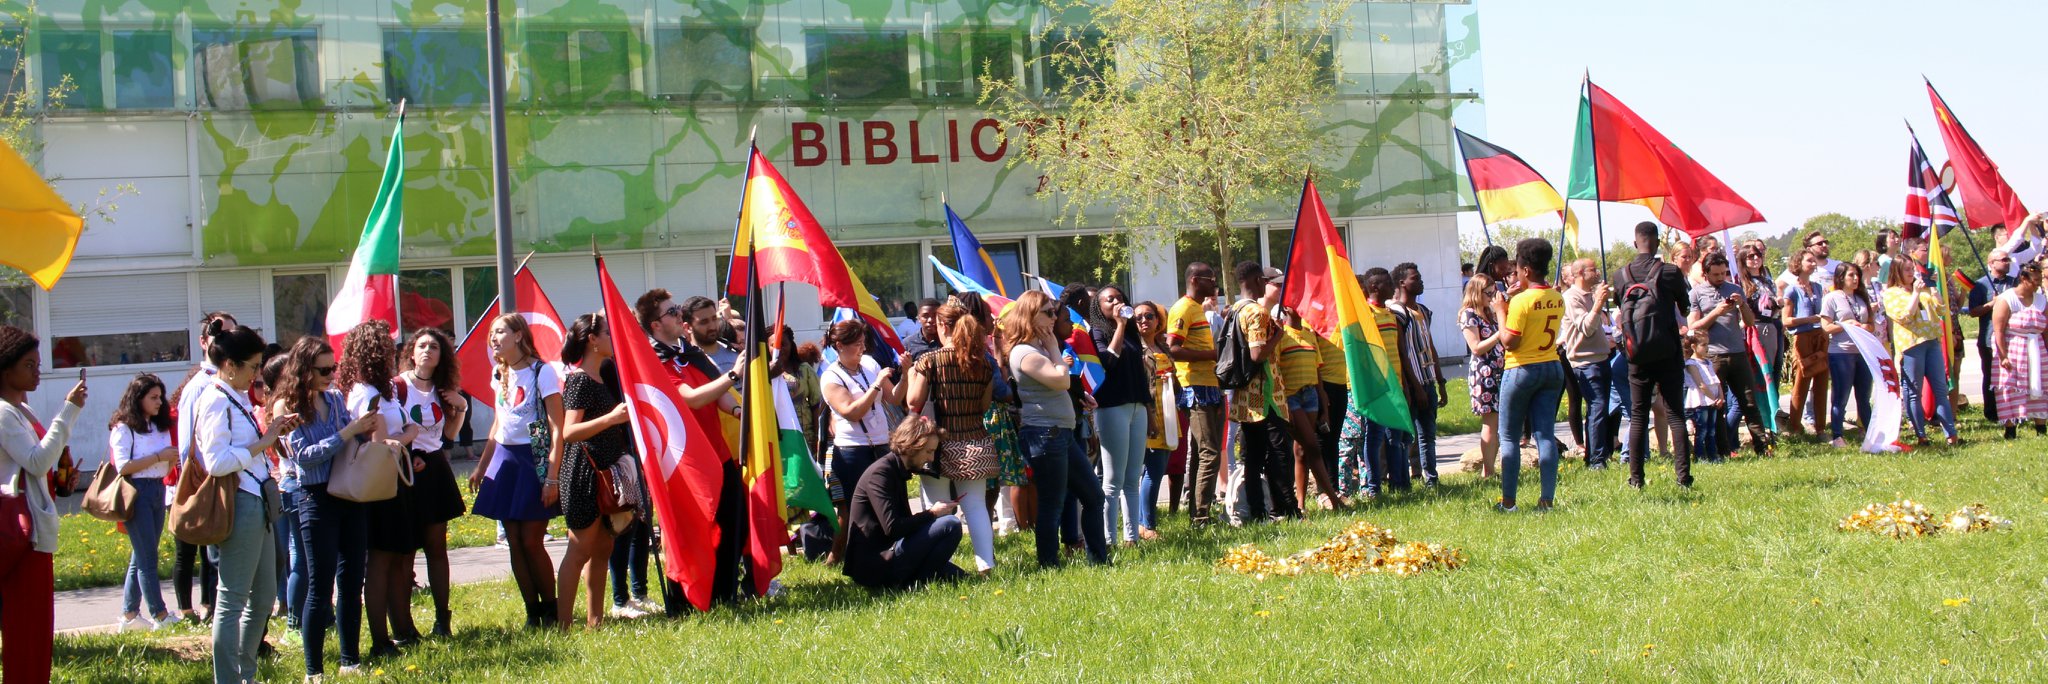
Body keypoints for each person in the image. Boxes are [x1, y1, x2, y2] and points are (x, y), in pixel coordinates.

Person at [193, 322, 292, 683]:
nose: (256, 375)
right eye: (252, 367)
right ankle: (228, 678)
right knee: (232, 600)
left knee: (264, 597)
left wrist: (273, 431)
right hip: (239, 503)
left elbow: (248, 449)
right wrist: (263, 443)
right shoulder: (215, 398)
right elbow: (215, 461)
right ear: (231, 365)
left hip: (259, 501)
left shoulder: (234, 396)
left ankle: (245, 673)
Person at [636, 290, 747, 609]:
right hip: (686, 462)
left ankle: (723, 595)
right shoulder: (656, 362)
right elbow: (691, 398)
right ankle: (684, 601)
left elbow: (717, 393)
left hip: (718, 453)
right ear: (656, 324)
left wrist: (738, 411)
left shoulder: (691, 352)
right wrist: (734, 373)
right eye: (672, 312)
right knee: (689, 532)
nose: (679, 316)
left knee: (733, 523)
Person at [275, 334, 377, 677]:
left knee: (352, 582)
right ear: (303, 370)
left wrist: (364, 430)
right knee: (320, 587)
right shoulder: (288, 407)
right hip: (314, 497)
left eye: (333, 368)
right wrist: (349, 432)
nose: (331, 375)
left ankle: (350, 661)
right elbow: (304, 457)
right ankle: (313, 670)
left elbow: (345, 442)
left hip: (347, 494)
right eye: (323, 369)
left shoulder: (334, 399)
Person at [336, 320, 428, 657]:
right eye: (387, 348)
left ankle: (403, 629)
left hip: (395, 479)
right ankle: (380, 640)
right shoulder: (367, 393)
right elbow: (378, 442)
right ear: (374, 353)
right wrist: (408, 437)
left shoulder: (383, 389)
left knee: (398, 559)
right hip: (380, 487)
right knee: (380, 562)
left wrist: (408, 450)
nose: (393, 353)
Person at [0, 326, 86, 682]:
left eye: (37, 363)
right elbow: (36, 460)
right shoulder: (4, 413)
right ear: (5, 369)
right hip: (21, 536)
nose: (37, 371)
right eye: (29, 365)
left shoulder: (21, 410)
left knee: (35, 631)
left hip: (34, 531)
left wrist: (59, 479)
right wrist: (68, 412)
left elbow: (36, 468)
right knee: (26, 631)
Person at [468, 313, 564, 626]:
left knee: (531, 540)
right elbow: (498, 423)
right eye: (492, 333)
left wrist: (552, 476)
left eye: (500, 332)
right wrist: (482, 466)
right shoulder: (499, 372)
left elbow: (558, 428)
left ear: (519, 335)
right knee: (513, 540)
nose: (494, 338)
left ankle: (551, 608)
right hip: (505, 461)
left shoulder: (542, 371)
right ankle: (531, 612)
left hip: (533, 459)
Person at [1003, 290, 1109, 566]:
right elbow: (1059, 380)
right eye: (1048, 313)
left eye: (1053, 312)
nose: (1054, 318)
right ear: (1029, 316)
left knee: (1093, 497)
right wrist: (1054, 349)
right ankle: (1049, 564)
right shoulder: (1025, 352)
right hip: (1044, 435)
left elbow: (1063, 384)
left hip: (1059, 433)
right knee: (1052, 504)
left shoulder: (1039, 348)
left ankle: (1099, 560)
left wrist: (1077, 394)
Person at [905, 303, 1000, 572]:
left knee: (937, 509)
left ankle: (935, 563)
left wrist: (911, 375)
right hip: (975, 442)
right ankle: (985, 565)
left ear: (943, 326)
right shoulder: (981, 363)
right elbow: (984, 406)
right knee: (977, 508)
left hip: (936, 446)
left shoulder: (929, 360)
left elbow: (913, 401)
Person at [554, 313, 633, 629]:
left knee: (603, 548)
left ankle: (595, 622)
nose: (613, 339)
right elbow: (569, 432)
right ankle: (562, 626)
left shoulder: (603, 376)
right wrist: (612, 419)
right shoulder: (579, 380)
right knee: (579, 550)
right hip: (584, 475)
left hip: (606, 472)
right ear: (592, 340)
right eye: (608, 333)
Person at [395, 328, 468, 636]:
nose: (427, 350)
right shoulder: (396, 387)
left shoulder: (444, 390)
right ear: (411, 352)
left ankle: (442, 619)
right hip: (405, 469)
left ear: (442, 355)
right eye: (421, 345)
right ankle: (404, 625)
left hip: (435, 468)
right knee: (405, 550)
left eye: (434, 346)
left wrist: (461, 408)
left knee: (436, 548)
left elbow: (448, 436)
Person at [1612, 222, 1695, 489]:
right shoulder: (1670, 272)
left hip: (1636, 353)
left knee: (1638, 415)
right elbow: (1685, 305)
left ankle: (1636, 478)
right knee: (1675, 414)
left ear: (1636, 243)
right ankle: (1683, 478)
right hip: (1668, 350)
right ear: (1658, 243)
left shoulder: (1620, 275)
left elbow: (1620, 308)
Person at [844, 416, 965, 589]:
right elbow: (893, 528)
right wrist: (932, 513)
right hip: (877, 563)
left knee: (961, 577)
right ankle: (914, 583)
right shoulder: (880, 474)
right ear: (911, 447)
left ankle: (919, 578)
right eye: (929, 451)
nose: (931, 459)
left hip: (890, 553)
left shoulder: (895, 469)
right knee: (951, 524)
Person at [171, 312, 238, 627]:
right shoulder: (199, 386)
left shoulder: (235, 381)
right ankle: (213, 612)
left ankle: (217, 608)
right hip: (209, 479)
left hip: (234, 478)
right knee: (212, 551)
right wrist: (197, 484)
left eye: (231, 334)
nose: (225, 341)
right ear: (204, 342)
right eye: (218, 334)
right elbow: (187, 445)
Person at [1495, 238, 1568, 511]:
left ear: (1525, 269)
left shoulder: (1521, 302)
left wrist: (1501, 312)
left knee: (1510, 437)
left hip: (1521, 368)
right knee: (1545, 435)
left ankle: (1509, 502)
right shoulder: (1557, 296)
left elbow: (1509, 341)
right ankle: (1547, 499)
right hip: (1552, 366)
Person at [820, 318, 899, 564]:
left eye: (863, 342)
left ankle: (885, 552)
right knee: (857, 508)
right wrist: (875, 386)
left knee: (888, 500)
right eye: (856, 344)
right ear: (839, 346)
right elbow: (852, 412)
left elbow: (895, 398)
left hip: (881, 445)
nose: (862, 348)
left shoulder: (869, 363)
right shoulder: (831, 377)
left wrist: (906, 374)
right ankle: (847, 556)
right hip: (853, 450)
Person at [1227, 262, 1301, 520]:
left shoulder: (1235, 309)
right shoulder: (1257, 312)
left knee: (1254, 456)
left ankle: (1259, 511)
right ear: (1259, 280)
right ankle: (1287, 508)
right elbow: (1258, 354)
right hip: (1265, 393)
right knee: (1278, 453)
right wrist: (1278, 336)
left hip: (1245, 394)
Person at [108, 373, 176, 631]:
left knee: (142, 553)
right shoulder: (124, 427)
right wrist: (158, 456)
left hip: (158, 488)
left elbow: (166, 461)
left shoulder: (159, 425)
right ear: (138, 399)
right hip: (136, 491)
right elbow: (124, 465)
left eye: (161, 397)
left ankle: (129, 614)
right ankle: (159, 613)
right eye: (153, 397)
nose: (160, 402)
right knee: (148, 556)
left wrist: (168, 459)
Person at [1688, 252, 1771, 459]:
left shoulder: (1734, 289)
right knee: (1716, 405)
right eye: (1715, 274)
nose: (1720, 278)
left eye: (1723, 273)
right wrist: (1716, 312)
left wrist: (1742, 305)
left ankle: (1762, 448)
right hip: (1713, 356)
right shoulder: (1697, 293)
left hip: (1738, 353)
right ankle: (1722, 451)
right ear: (1705, 273)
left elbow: (1750, 322)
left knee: (1749, 403)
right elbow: (1693, 327)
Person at [1088, 285, 1151, 544]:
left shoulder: (1132, 334)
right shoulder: (1098, 332)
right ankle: (1109, 539)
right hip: (1111, 408)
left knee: (1132, 477)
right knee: (1112, 480)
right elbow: (1108, 361)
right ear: (1099, 307)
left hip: (1137, 406)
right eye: (1109, 299)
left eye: (1119, 298)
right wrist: (1120, 325)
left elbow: (1140, 373)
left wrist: (1149, 409)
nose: (1116, 302)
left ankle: (1132, 537)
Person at [1165, 262, 1225, 527]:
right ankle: (1201, 517)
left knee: (1202, 452)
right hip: (1195, 387)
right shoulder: (1183, 308)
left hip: (1211, 385)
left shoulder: (1198, 309)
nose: (1215, 284)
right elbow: (1173, 349)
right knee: (1209, 451)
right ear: (1195, 279)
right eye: (1211, 278)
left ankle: (1197, 512)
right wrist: (1212, 355)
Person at [1882, 246, 1961, 446]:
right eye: (1907, 270)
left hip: (1931, 342)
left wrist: (1933, 287)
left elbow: (1942, 310)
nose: (1912, 273)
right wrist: (1916, 294)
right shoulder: (1891, 293)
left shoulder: (1923, 288)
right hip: (1911, 346)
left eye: (1913, 269)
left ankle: (1951, 435)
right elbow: (1903, 317)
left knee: (1940, 389)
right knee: (1913, 391)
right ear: (1897, 272)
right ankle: (1921, 435)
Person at [1276, 305, 1343, 510]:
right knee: (1313, 445)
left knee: (1302, 451)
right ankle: (1333, 498)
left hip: (1310, 396)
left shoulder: (1309, 334)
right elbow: (1276, 368)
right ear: (1286, 307)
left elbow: (1317, 369)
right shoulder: (1280, 334)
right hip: (1291, 396)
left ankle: (1301, 504)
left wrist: (1323, 399)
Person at [1388, 263, 1447, 486]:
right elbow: (1402, 353)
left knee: (1428, 435)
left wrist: (1440, 381)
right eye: (1415, 278)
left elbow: (1430, 346)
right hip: (1413, 385)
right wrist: (1415, 386)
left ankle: (1432, 478)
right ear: (1402, 283)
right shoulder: (1397, 313)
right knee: (1406, 436)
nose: (1421, 281)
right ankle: (1404, 480)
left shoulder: (1422, 311)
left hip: (1428, 380)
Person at [1354, 267, 1410, 496]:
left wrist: (1404, 383)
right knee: (1375, 437)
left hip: (1394, 385)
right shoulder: (1365, 315)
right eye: (1388, 283)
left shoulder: (1389, 314)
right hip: (1376, 386)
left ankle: (1398, 484)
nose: (1393, 286)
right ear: (1375, 287)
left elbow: (1399, 351)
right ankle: (1374, 485)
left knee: (1395, 437)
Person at [1559, 259, 1615, 469]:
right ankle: (1596, 460)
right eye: (1593, 269)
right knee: (1597, 407)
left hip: (1601, 358)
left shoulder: (1591, 295)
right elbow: (1587, 328)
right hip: (1585, 362)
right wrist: (1598, 304)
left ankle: (1596, 454)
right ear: (1581, 273)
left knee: (1599, 409)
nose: (1598, 272)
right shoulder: (1571, 298)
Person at [1819, 262, 1881, 447]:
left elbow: (1871, 324)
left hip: (1862, 352)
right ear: (1841, 277)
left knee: (1864, 395)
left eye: (1857, 275)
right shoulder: (1832, 298)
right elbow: (1826, 327)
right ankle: (1837, 434)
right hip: (1841, 352)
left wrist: (1865, 327)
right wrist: (1846, 325)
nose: (1855, 279)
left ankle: (1870, 433)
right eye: (1851, 275)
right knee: (1841, 395)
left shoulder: (1861, 297)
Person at [1133, 301, 1179, 536]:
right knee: (1153, 469)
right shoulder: (1136, 349)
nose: (1143, 321)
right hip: (1151, 411)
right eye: (1138, 317)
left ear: (1157, 321)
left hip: (1168, 409)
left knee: (1156, 468)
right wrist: (1150, 419)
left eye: (1149, 316)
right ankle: (1146, 525)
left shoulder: (1162, 345)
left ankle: (1143, 522)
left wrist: (1172, 376)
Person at [1991, 261, 2048, 439]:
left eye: (2040, 279)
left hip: (2037, 349)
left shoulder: (2041, 299)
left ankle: (2041, 427)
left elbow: (2046, 329)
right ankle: (2010, 429)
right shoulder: (2007, 299)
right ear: (2024, 279)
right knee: (2010, 386)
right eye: (2035, 280)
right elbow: (1999, 330)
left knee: (2040, 384)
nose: (2038, 283)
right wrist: (2003, 356)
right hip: (2013, 348)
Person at [1459, 274, 1508, 478]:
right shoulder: (1468, 314)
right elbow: (1476, 348)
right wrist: (1499, 334)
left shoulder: (1489, 313)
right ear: (1477, 293)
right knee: (1491, 422)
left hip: (1499, 370)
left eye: (1494, 292)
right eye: (1488, 293)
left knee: (1499, 422)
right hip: (1484, 373)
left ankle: (1493, 468)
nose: (1492, 296)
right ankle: (1488, 471)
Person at [1781, 250, 1831, 436]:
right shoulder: (1792, 290)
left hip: (1820, 336)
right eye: (1809, 260)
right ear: (1798, 263)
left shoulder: (1817, 287)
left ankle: (1820, 428)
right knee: (1801, 383)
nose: (1813, 263)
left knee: (1821, 383)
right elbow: (1786, 321)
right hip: (1802, 339)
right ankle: (1794, 427)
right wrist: (1809, 319)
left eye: (1813, 260)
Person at [1970, 248, 2019, 424]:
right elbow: (1973, 312)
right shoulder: (1980, 285)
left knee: (2013, 375)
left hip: (2013, 337)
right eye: (2003, 260)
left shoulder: (2015, 283)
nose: (2007, 262)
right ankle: (1992, 412)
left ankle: (2015, 410)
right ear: (1991, 263)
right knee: (1991, 376)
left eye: (2008, 260)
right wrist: (1993, 303)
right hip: (1988, 338)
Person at [1682, 333, 1727, 462]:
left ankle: (1713, 456)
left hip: (1712, 400)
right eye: (1704, 345)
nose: (1707, 348)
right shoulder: (1691, 363)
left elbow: (1715, 381)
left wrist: (1720, 396)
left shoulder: (1708, 362)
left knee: (1711, 430)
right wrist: (1713, 398)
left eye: (1708, 344)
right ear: (1694, 347)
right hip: (1701, 401)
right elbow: (1700, 384)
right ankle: (1700, 456)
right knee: (1702, 430)